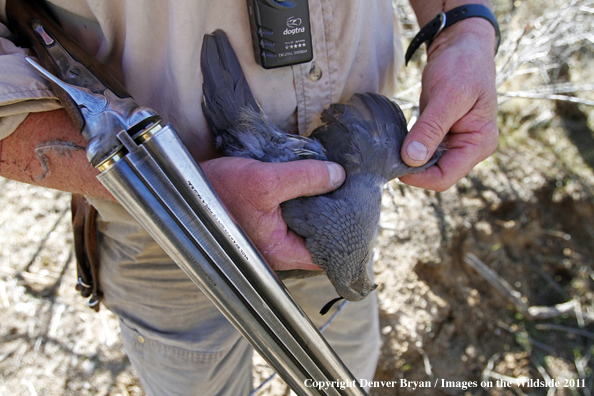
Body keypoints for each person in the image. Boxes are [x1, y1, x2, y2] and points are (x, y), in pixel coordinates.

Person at [0, 0, 499, 394]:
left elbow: (461, 18)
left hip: (340, 243)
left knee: (347, 370)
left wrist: (463, 24)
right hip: (166, 236)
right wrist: (184, 193)